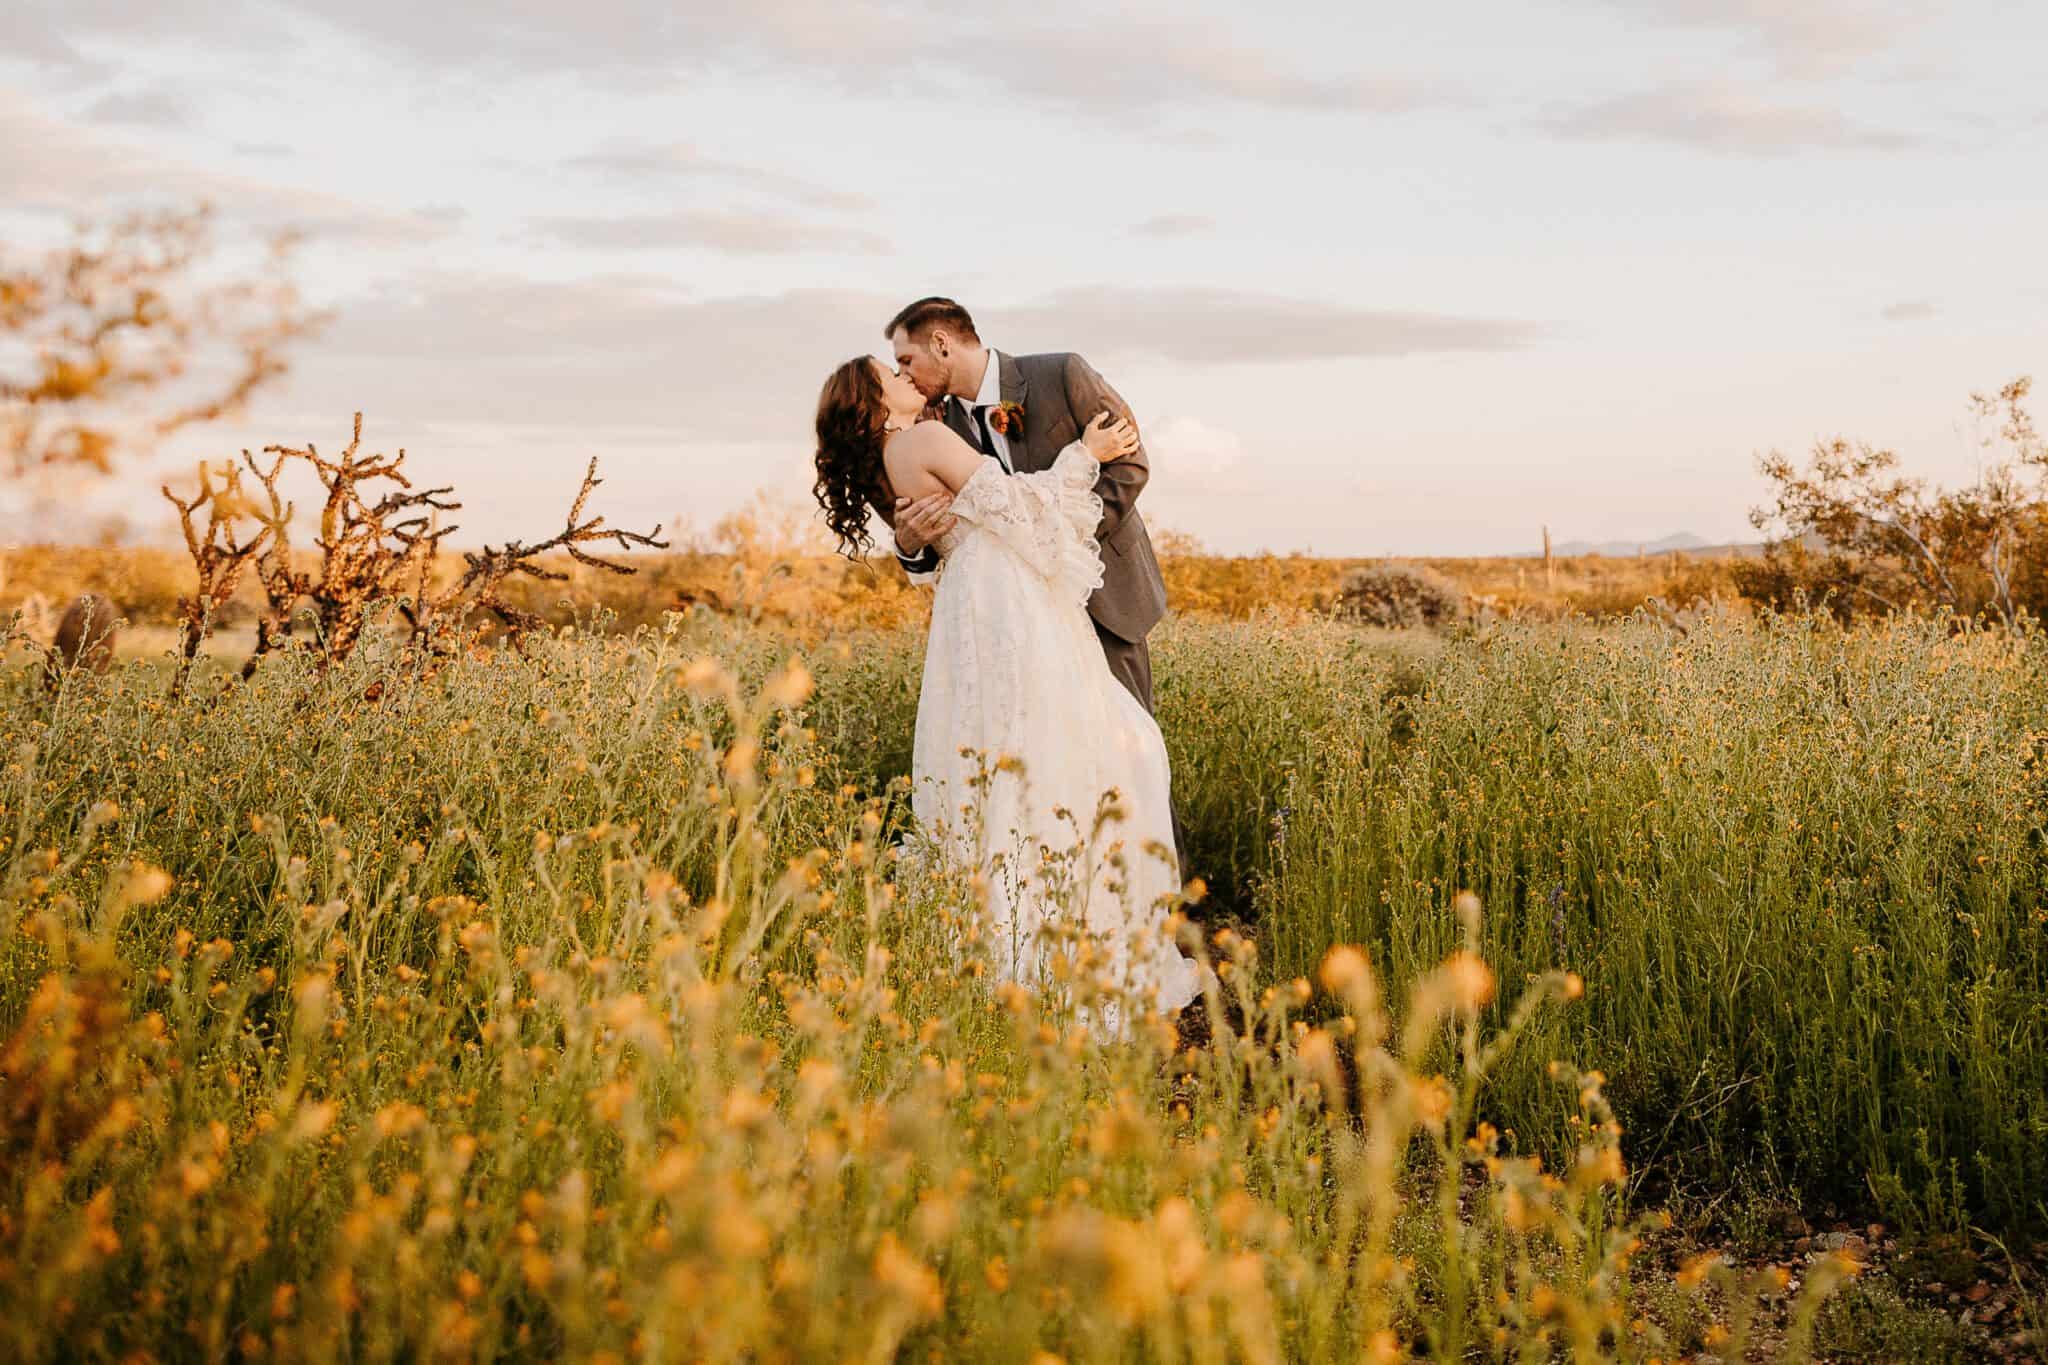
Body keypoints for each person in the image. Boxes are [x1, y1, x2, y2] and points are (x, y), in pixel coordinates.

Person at [812, 355, 1203, 1031]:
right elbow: (1027, 511)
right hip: (1013, 608)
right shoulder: (926, 440)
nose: (910, 379)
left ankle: (1002, 946)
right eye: (894, 375)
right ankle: (1065, 951)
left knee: (1000, 765)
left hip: (975, 611)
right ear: (878, 402)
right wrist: (1086, 452)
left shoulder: (894, 460)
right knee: (1084, 753)